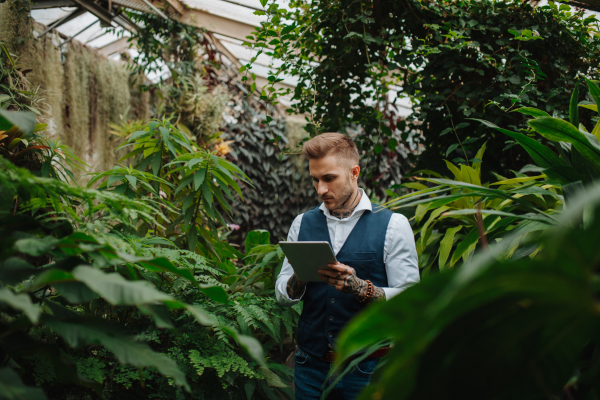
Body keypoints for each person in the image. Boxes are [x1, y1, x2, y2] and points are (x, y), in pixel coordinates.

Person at [275, 132, 419, 400]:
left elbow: (411, 299)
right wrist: (302, 275)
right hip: (310, 367)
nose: (320, 190)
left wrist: (361, 288)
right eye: (315, 180)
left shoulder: (394, 225)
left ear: (354, 172)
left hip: (367, 369)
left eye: (329, 178)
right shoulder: (301, 224)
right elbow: (282, 297)